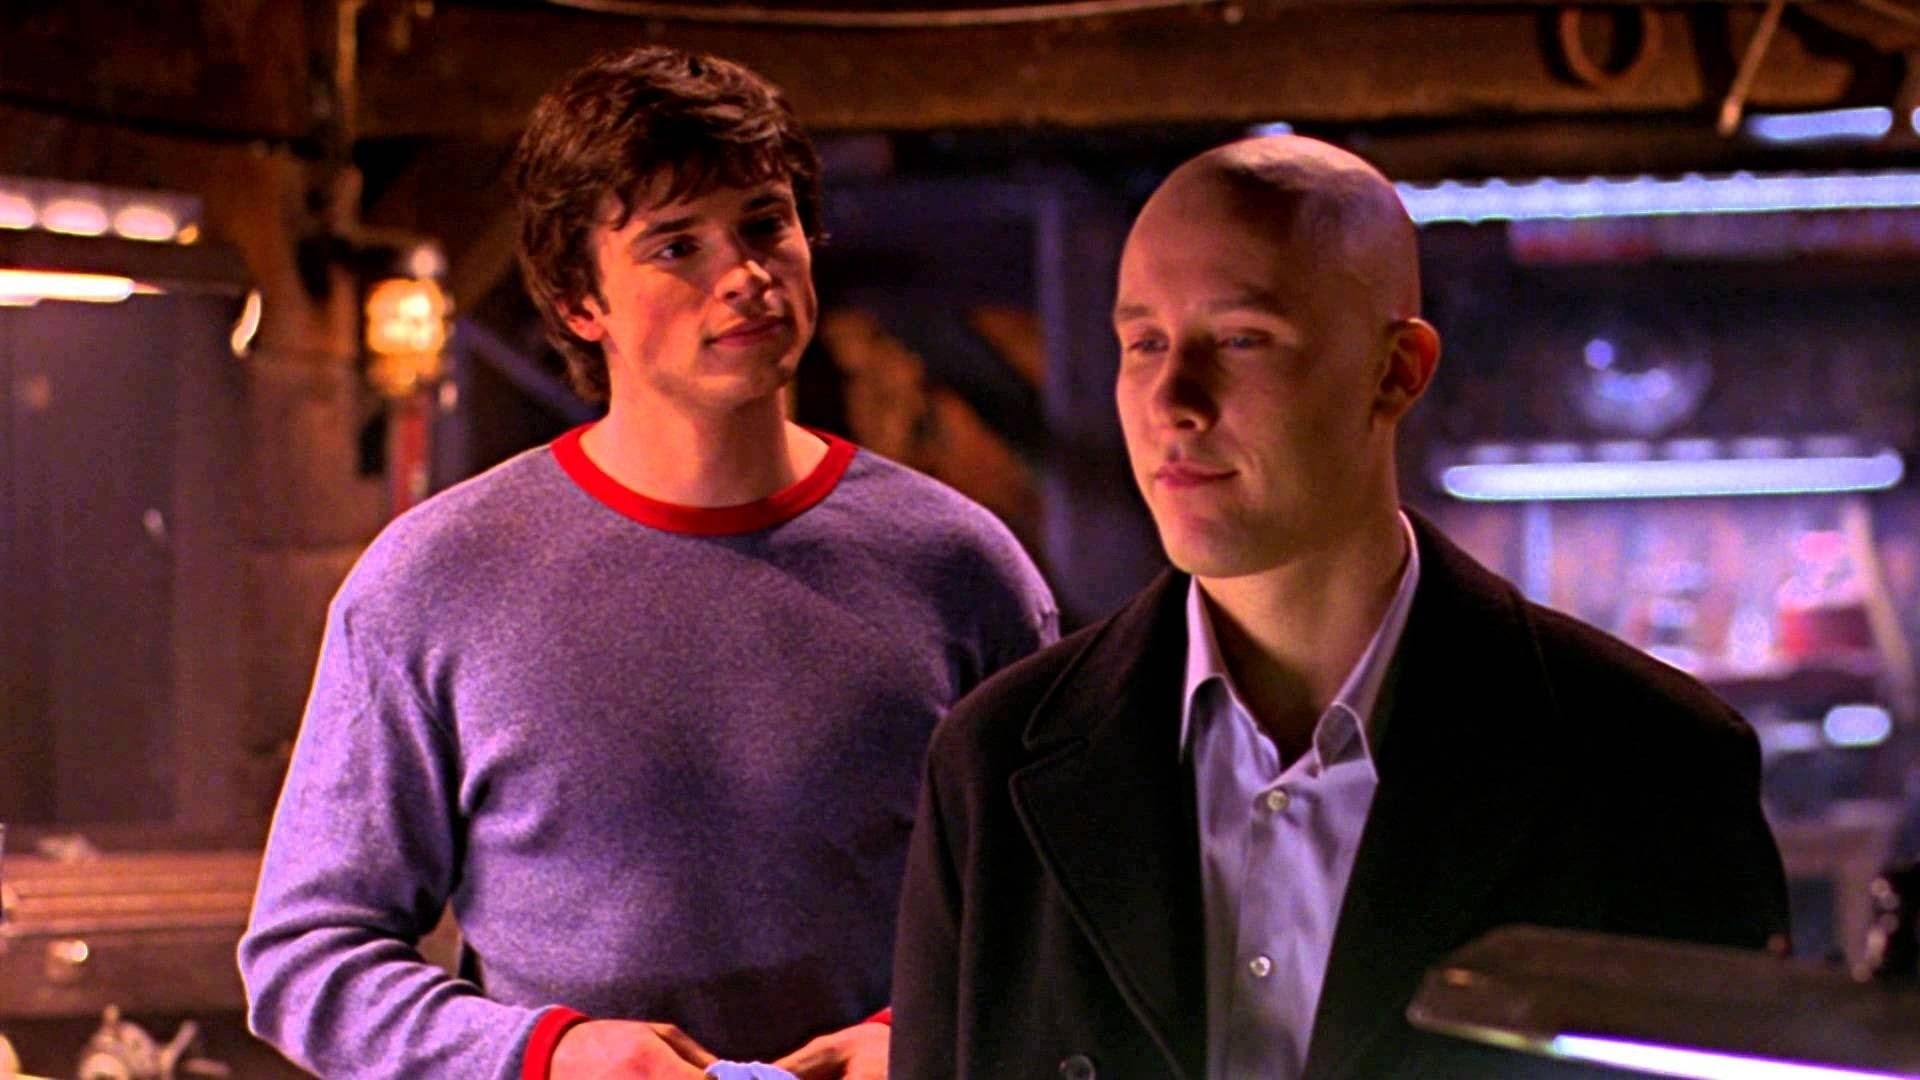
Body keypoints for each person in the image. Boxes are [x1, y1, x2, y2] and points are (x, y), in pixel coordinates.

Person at [889, 135, 1789, 1079]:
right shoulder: (994, 762)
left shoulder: (1650, 765)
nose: (1173, 401)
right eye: (1144, 343)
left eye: (1242, 339)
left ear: (1396, 370)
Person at [240, 45, 1057, 1080]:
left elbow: (1062, 906)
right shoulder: (435, 579)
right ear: (581, 300)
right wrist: (548, 1056)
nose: (746, 275)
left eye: (765, 224)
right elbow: (309, 959)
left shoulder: (960, 566)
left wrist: (920, 1040)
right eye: (677, 245)